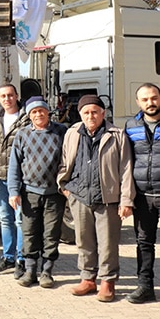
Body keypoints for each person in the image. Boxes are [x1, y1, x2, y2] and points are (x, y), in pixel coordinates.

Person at [58, 94, 135, 302]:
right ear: (80, 114)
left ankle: (107, 282)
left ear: (103, 113)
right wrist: (64, 186)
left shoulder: (116, 135)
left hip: (107, 198)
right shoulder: (72, 133)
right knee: (84, 241)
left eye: (94, 112)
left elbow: (126, 168)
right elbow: (65, 161)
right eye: (86, 112)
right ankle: (88, 279)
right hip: (80, 196)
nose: (90, 116)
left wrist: (126, 200)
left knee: (108, 243)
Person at [7, 96, 67, 288]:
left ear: (48, 112)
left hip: (54, 193)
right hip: (29, 193)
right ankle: (30, 270)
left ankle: (47, 271)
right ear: (29, 115)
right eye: (34, 112)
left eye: (41, 110)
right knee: (30, 232)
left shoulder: (62, 132)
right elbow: (14, 166)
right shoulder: (22, 135)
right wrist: (13, 191)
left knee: (51, 233)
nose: (38, 114)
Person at [0, 84, 31, 277]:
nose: (7, 99)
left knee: (20, 220)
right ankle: (8, 258)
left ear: (16, 96)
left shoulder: (26, 119)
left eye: (10, 95)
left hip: (20, 179)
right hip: (0, 179)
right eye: (3, 96)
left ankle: (21, 260)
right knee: (5, 220)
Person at [125, 83, 160, 303]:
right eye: (145, 99)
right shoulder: (131, 126)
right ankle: (145, 286)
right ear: (138, 102)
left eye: (154, 98)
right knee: (144, 242)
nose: (150, 103)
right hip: (143, 195)